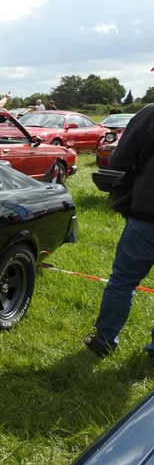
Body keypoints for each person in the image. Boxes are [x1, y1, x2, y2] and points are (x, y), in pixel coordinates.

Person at [83, 103, 154, 360]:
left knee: (123, 281)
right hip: (146, 215)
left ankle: (104, 340)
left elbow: (118, 160)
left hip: (146, 215)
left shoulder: (150, 113)